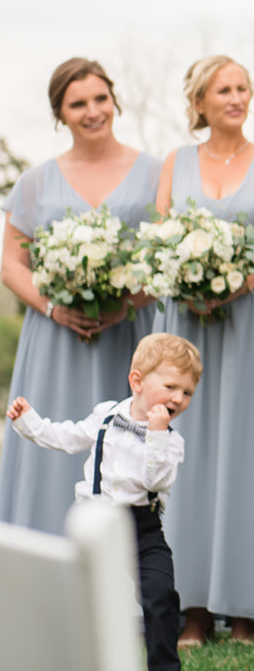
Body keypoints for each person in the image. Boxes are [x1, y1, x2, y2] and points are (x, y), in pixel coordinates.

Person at [153, 55, 254, 646]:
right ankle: (192, 607)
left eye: (244, 87)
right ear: (200, 102)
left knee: (250, 454)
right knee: (186, 457)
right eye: (224, 89)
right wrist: (194, 288)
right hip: (185, 323)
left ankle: (247, 610)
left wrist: (229, 286)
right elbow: (162, 236)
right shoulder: (176, 162)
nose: (237, 97)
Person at [0, 58, 159, 536]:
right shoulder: (35, 182)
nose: (92, 111)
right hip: (54, 339)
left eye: (100, 99)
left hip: (127, 335)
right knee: (48, 445)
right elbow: (11, 263)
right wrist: (54, 308)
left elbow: (163, 253)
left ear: (114, 100)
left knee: (129, 455)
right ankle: (41, 562)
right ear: (60, 114)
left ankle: (132, 582)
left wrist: (126, 304)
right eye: (77, 104)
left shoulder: (155, 172)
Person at [7, 332, 203, 671]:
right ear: (137, 381)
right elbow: (68, 437)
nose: (179, 398)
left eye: (187, 392)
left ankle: (164, 666)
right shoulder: (107, 416)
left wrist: (156, 433)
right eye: (171, 387)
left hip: (144, 529)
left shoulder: (172, 441)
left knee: (161, 597)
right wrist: (29, 421)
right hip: (96, 523)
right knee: (84, 597)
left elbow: (155, 480)